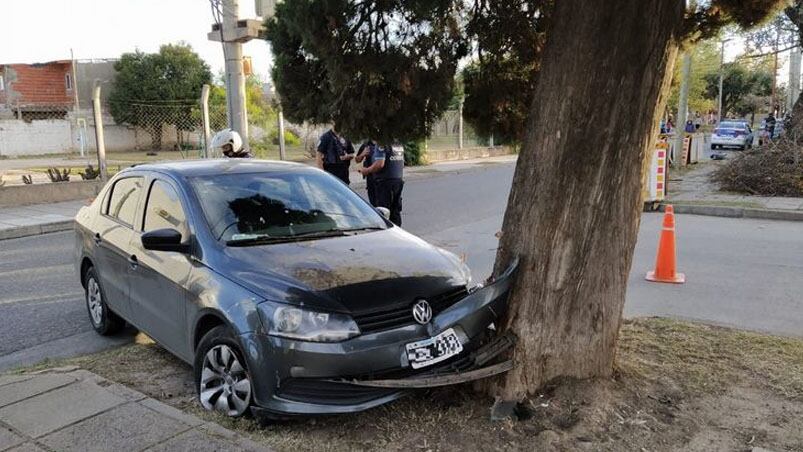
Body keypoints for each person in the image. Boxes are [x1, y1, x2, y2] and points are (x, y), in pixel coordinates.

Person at [359, 143, 404, 225]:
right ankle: (397, 232)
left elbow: (380, 164)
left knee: (383, 211)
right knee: (395, 211)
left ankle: (386, 233)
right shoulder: (397, 143)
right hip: (397, 180)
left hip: (385, 182)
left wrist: (366, 170)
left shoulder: (382, 143)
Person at [355, 140, 377, 206]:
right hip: (371, 178)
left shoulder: (384, 143)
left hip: (382, 178)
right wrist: (362, 154)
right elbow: (357, 160)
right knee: (373, 203)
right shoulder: (366, 144)